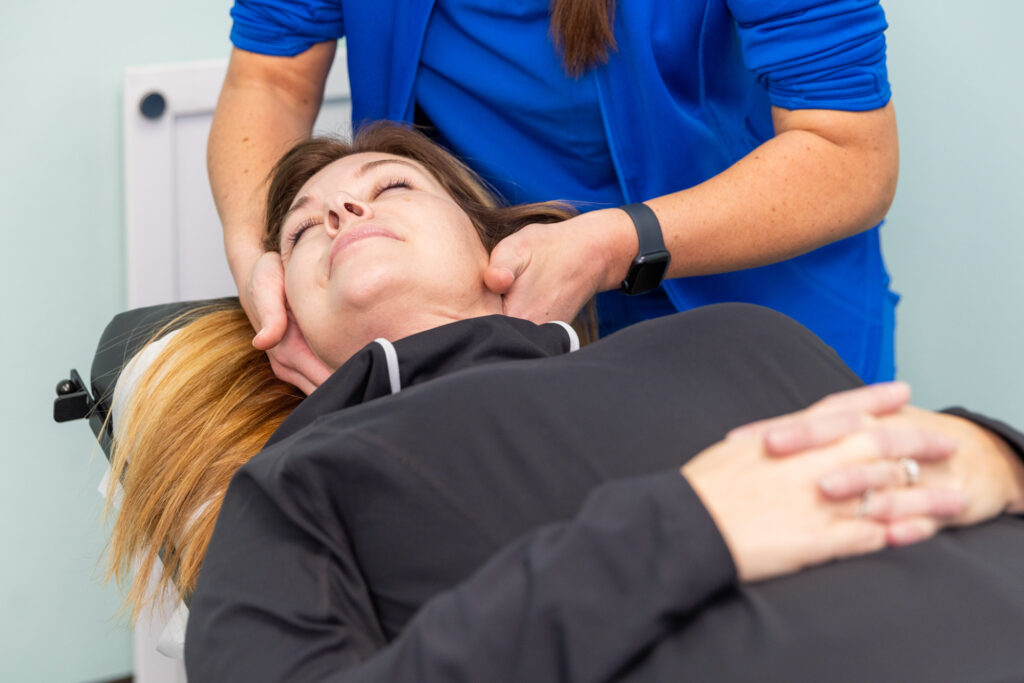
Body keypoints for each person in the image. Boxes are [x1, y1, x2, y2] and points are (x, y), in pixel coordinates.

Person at [105, 124, 1024, 681]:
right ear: (288, 327)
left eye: (391, 187)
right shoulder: (295, 485)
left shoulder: (738, 337)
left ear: (497, 247)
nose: (342, 213)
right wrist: (688, 529)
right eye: (306, 229)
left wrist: (1000, 456)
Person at [208, 0, 901, 395]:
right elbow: (269, 82)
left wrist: (611, 244)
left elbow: (851, 155)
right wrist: (256, 259)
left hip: (755, 303)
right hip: (493, 337)